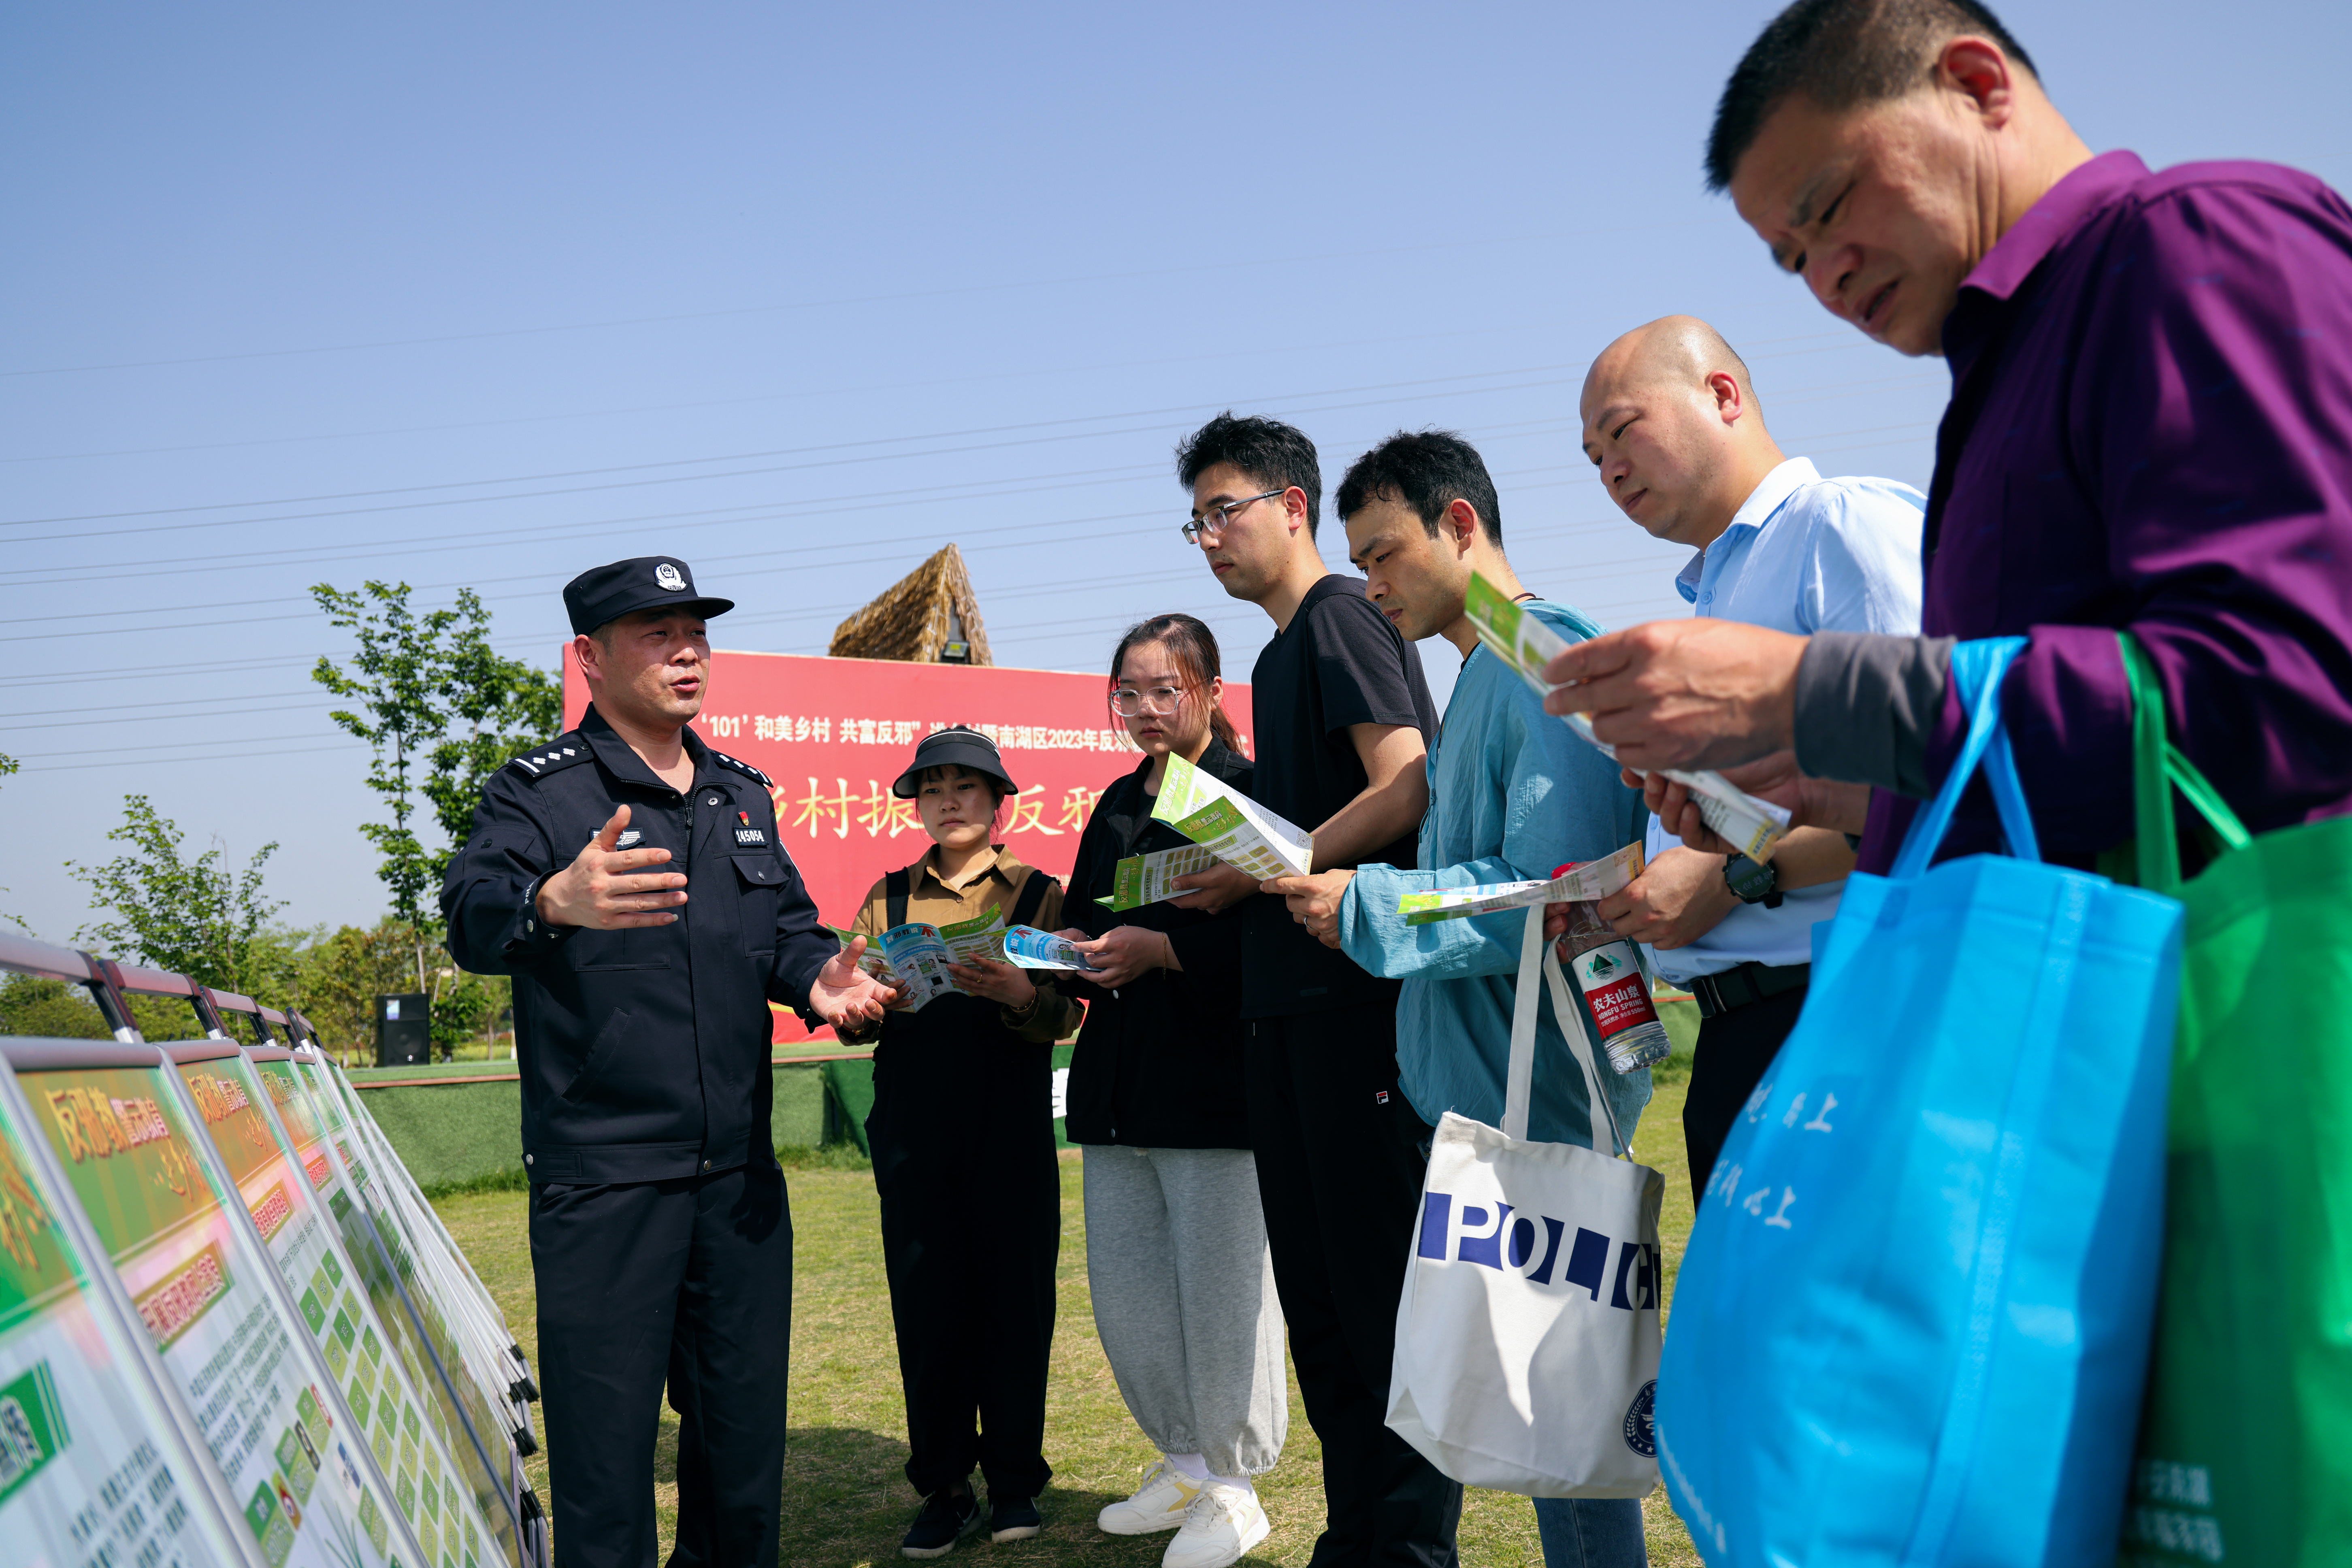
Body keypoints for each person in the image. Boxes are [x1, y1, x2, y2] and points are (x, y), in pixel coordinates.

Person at [1539, 0, 2352, 871]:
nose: (1826, 275)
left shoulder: (2197, 245)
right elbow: (2085, 773)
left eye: (1833, 204)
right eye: (1793, 256)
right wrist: (1840, 793)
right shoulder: (2009, 371)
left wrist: (1812, 695)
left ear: (1975, 86)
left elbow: (2296, 681)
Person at [439, 556, 895, 1568]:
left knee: (741, 1454)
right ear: (588, 658)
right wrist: (552, 901)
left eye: (696, 631)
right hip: (605, 1182)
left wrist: (821, 979)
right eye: (656, 632)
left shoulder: (741, 794)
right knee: (605, 1465)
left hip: (737, 1181)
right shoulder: (541, 796)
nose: (686, 650)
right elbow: (471, 914)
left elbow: (786, 929)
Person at [1267, 430, 1653, 1568]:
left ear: (1462, 527)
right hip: (1491, 1088)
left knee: (1565, 1417)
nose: (1372, 585)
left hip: (1545, 1092)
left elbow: (1553, 890)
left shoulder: (1542, 657)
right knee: (1538, 1418)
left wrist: (1366, 909)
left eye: (1384, 554)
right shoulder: (1486, 671)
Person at [1178, 411, 1456, 1566]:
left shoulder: (1342, 612)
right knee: (1327, 1311)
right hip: (1284, 1014)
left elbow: (1406, 784)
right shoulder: (1279, 653)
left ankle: (1405, 1547)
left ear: (1295, 508)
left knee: (1379, 1304)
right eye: (1194, 521)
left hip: (1357, 1010)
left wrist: (1267, 867)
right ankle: (1358, 1541)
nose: (1208, 539)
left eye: (1225, 510)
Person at [1574, 318, 1923, 1195]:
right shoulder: (1719, 588)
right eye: (1592, 457)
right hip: (1739, 1039)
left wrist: (1730, 879)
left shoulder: (1840, 527)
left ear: (1723, 395)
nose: (1610, 469)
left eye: (1622, 431)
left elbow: (1940, 790)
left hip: (1845, 1015)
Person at [1054, 614, 1287, 1568]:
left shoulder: (1247, 791)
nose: (1147, 710)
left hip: (1215, 1091)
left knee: (1225, 1296)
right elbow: (1081, 922)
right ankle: (1184, 1462)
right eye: (1129, 693)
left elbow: (1275, 936)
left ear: (1211, 693)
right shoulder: (1113, 802)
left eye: (1167, 690)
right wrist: (1059, 958)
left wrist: (1170, 951)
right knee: (1133, 1297)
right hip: (1117, 1089)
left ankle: (1235, 1488)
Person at [833, 726, 1080, 1559]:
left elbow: (1068, 1011)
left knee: (1017, 1303)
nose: (948, 799)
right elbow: (844, 1015)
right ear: (915, 803)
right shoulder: (885, 897)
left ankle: (1014, 1483)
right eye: (932, 786)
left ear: (998, 799)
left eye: (966, 785)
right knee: (928, 1308)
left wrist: (1019, 991)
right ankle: (943, 1487)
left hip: (1008, 1127)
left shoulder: (1039, 891)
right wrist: (866, 1001)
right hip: (913, 1130)